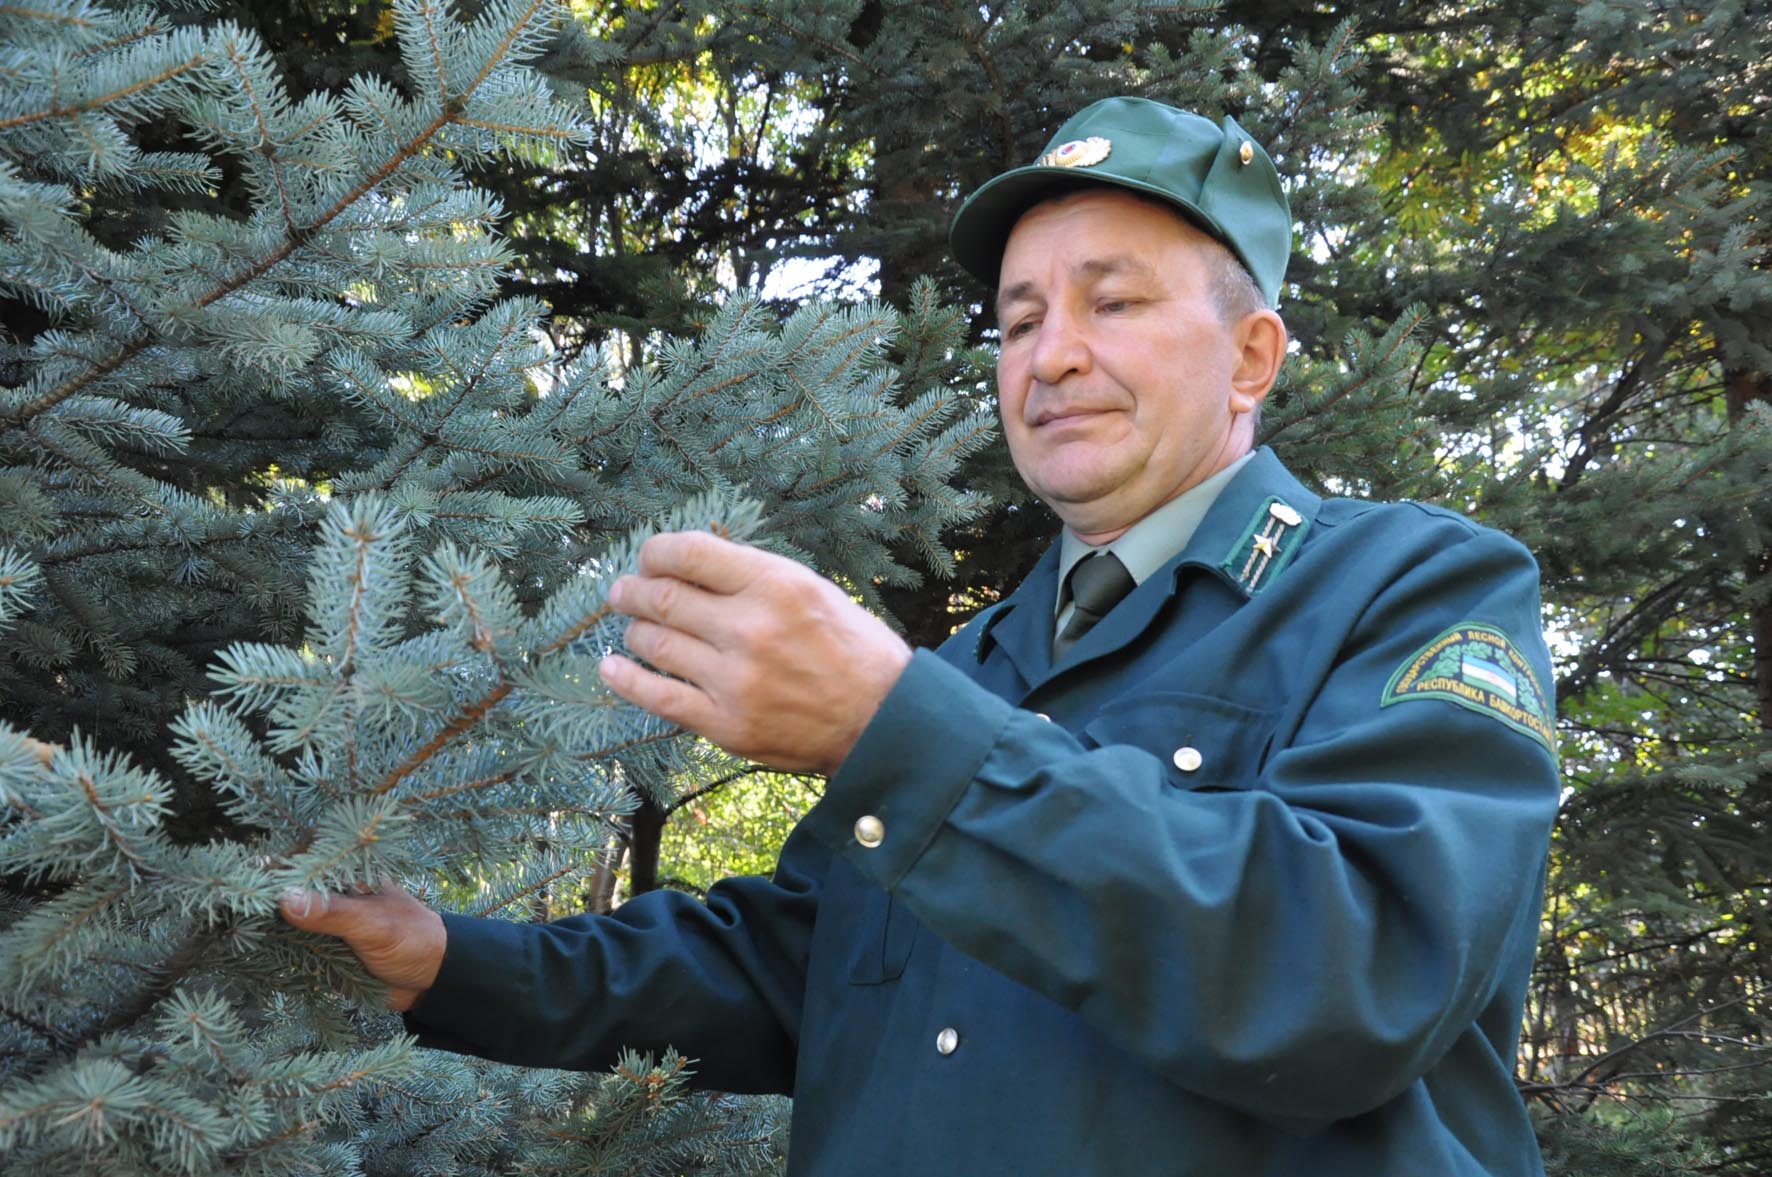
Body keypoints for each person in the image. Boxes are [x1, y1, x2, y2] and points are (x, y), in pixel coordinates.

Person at [281, 97, 1561, 1175]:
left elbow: (1353, 977)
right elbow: (793, 965)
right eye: (1015, 321)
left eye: (1110, 303)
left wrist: (898, 731)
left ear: (1249, 355)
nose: (1049, 356)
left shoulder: (1412, 588)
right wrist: (453, 965)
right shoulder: (974, 669)